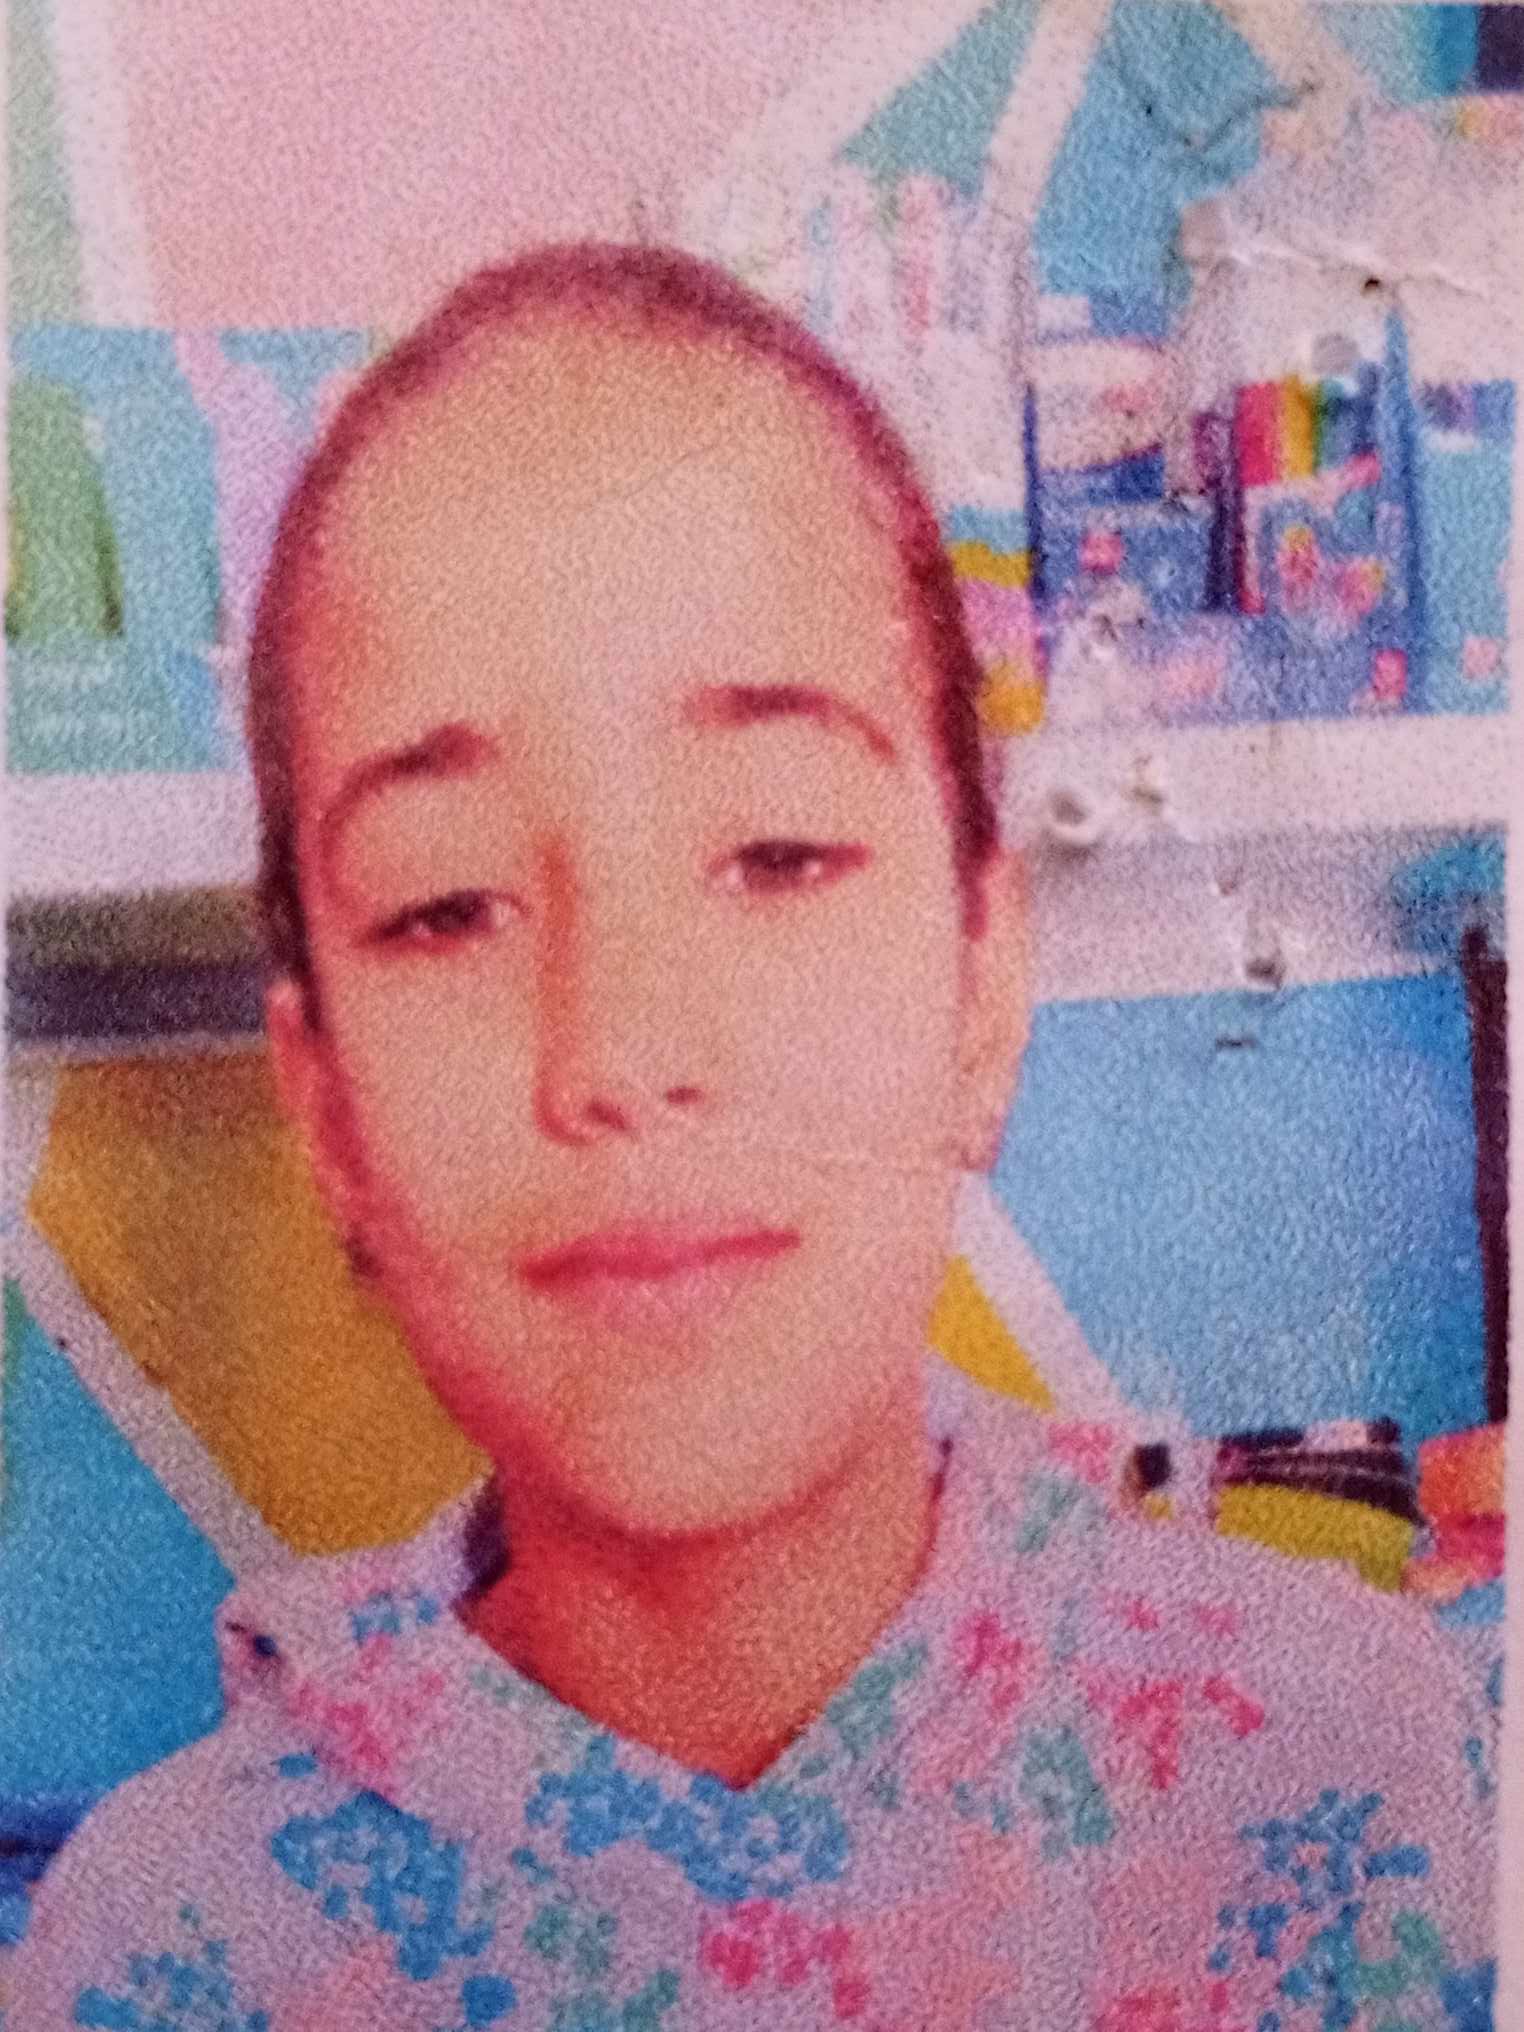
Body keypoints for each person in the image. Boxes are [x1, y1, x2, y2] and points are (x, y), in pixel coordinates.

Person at [11, 246, 1496, 2031]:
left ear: (982, 984)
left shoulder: (1361, 1775)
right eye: (448, 905)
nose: (624, 1051)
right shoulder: (168, 1952)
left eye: (776, 856)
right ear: (324, 1107)